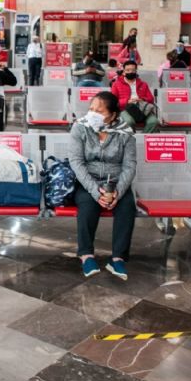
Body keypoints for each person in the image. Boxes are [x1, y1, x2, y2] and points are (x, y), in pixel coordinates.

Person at [69, 91, 137, 279]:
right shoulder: (80, 127)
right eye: (91, 109)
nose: (93, 114)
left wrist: (118, 192)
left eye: (99, 111)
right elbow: (76, 162)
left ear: (113, 115)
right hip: (88, 181)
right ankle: (86, 255)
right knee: (87, 205)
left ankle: (118, 258)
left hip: (116, 182)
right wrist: (95, 191)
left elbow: (130, 165)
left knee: (127, 207)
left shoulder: (125, 132)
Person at [111, 61, 158, 133]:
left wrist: (142, 99)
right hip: (124, 109)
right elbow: (113, 102)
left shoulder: (143, 84)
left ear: (136, 71)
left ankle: (141, 138)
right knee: (129, 122)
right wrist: (127, 101)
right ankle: (132, 138)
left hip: (142, 109)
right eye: (128, 70)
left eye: (133, 70)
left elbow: (151, 99)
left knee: (153, 121)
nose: (130, 72)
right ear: (123, 72)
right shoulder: (116, 84)